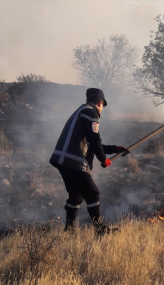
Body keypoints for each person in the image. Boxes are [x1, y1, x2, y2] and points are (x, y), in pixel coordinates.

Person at [49, 88, 129, 234]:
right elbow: (94, 140)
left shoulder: (82, 111)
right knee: (92, 193)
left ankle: (69, 230)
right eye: (102, 106)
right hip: (73, 160)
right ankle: (99, 230)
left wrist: (115, 149)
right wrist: (103, 160)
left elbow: (92, 144)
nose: (102, 109)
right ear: (100, 102)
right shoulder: (91, 113)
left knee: (76, 195)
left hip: (62, 159)